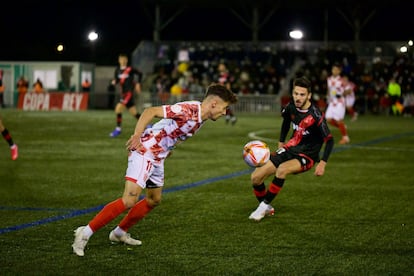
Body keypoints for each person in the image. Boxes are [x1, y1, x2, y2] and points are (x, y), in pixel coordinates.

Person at [72, 83, 238, 256]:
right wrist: (137, 136)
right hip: (146, 150)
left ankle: (119, 233)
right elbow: (150, 111)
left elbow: (177, 133)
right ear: (213, 104)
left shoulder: (201, 118)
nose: (225, 112)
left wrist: (169, 148)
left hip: (158, 155)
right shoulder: (187, 110)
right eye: (224, 108)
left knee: (153, 199)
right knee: (129, 199)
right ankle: (84, 234)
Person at [248, 76, 334, 221]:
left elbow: (330, 140)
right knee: (255, 177)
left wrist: (323, 163)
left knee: (282, 170)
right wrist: (281, 141)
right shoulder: (291, 106)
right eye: (296, 94)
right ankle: (266, 206)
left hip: (307, 154)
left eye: (302, 94)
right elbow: (286, 122)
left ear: (309, 96)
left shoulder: (315, 114)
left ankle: (262, 207)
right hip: (290, 147)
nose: (298, 97)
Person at [109, 53, 143, 137]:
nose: (123, 61)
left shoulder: (130, 69)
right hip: (123, 94)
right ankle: (148, 125)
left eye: (124, 59)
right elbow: (117, 80)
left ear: (127, 60)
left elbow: (140, 73)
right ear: (119, 60)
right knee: (134, 113)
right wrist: (114, 82)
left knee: (118, 109)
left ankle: (118, 129)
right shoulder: (117, 70)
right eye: (121, 59)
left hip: (129, 94)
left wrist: (138, 84)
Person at [325, 63, 350, 144]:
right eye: (333, 69)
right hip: (332, 102)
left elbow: (349, 90)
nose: (334, 71)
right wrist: (328, 96)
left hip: (340, 102)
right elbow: (329, 89)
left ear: (339, 71)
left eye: (336, 70)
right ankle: (342, 127)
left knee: (339, 120)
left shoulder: (342, 80)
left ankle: (345, 138)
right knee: (328, 119)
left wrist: (342, 94)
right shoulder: (329, 79)